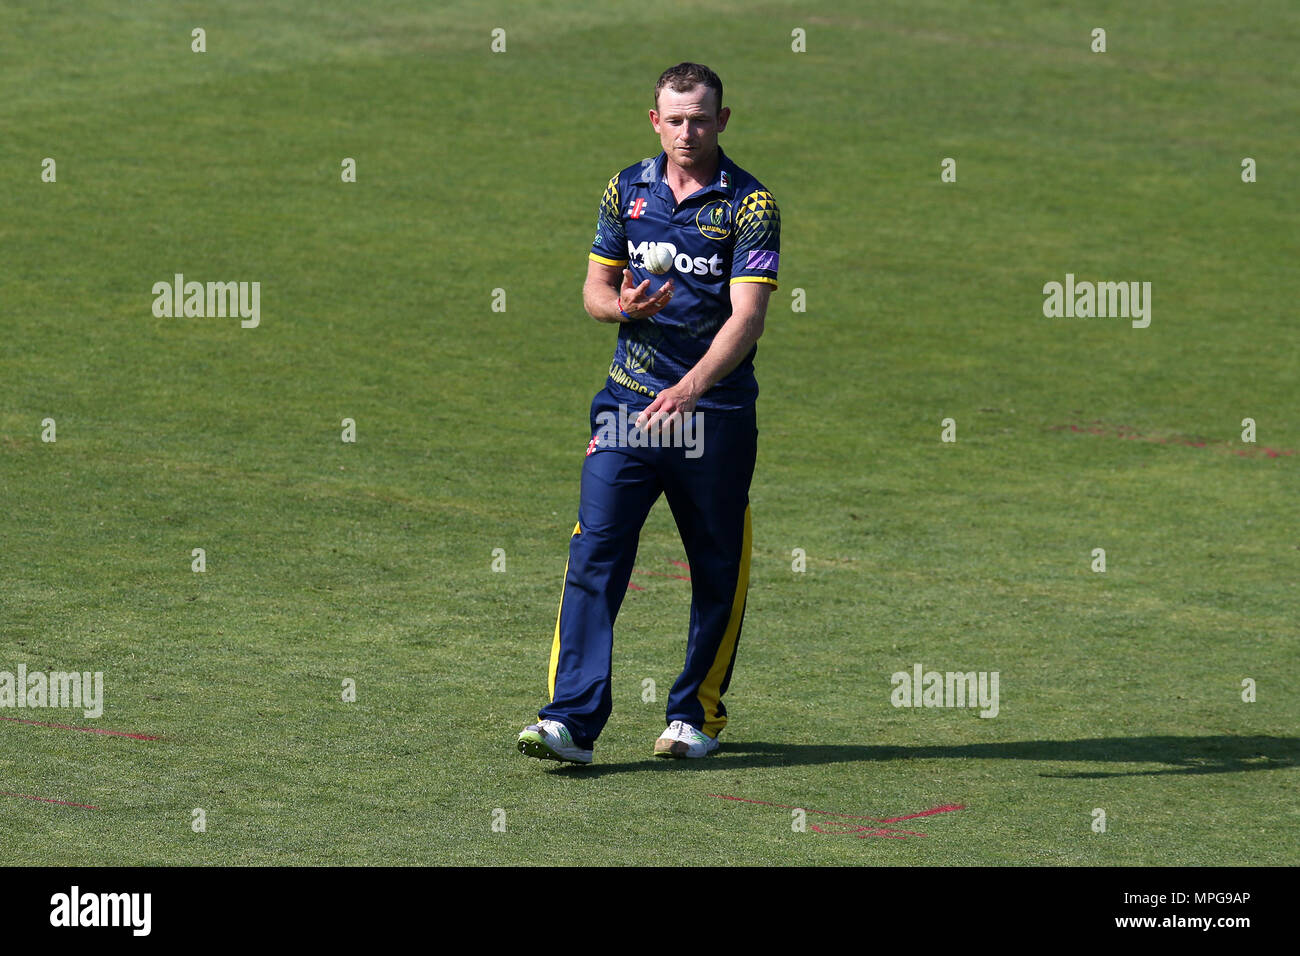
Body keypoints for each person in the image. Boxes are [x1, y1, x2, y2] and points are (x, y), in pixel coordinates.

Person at [518, 62, 780, 764]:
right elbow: (594, 291)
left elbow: (747, 318)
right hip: (628, 409)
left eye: (700, 118)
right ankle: (569, 721)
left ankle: (694, 716)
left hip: (712, 415)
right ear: (654, 119)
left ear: (723, 120)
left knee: (715, 567)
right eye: (675, 118)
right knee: (595, 551)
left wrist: (691, 388)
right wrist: (621, 307)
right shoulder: (626, 189)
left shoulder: (750, 205)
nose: (687, 131)